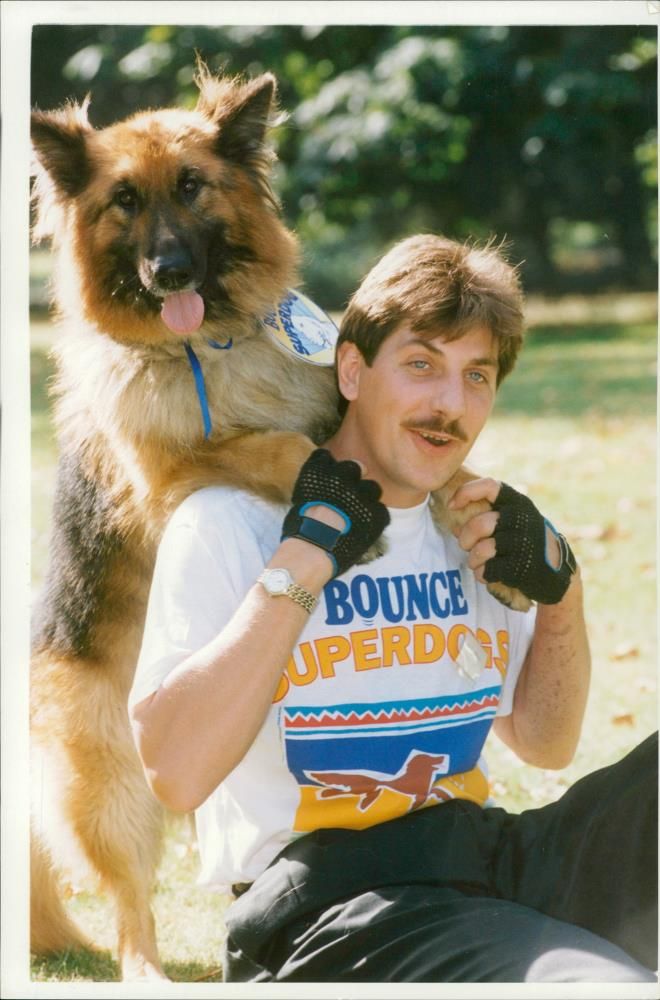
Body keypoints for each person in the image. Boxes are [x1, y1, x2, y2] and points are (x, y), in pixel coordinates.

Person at [129, 234, 657, 983]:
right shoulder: (230, 524)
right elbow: (175, 773)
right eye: (421, 364)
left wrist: (562, 593)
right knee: (593, 985)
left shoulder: (472, 526)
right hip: (331, 906)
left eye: (477, 375)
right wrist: (303, 561)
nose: (450, 404)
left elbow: (546, 742)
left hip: (486, 859)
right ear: (351, 369)